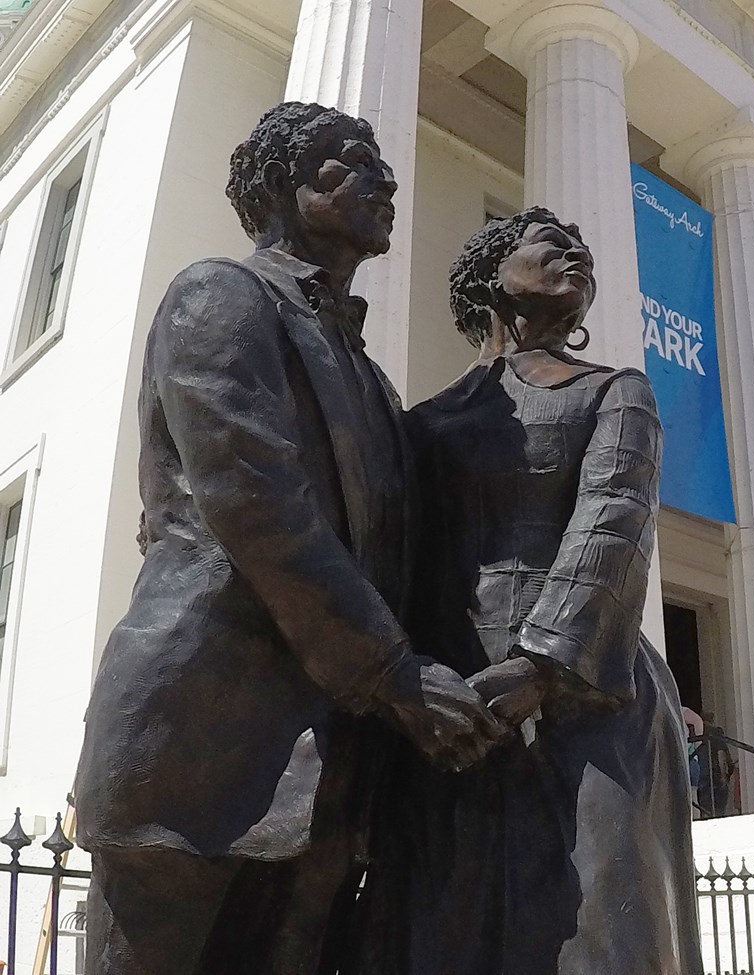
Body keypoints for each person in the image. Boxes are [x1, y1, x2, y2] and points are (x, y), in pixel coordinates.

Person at [72, 102, 505, 975]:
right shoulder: (217, 296)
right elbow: (253, 502)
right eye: (353, 162)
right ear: (281, 183)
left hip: (331, 772)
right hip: (197, 749)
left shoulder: (377, 385)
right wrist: (393, 673)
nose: (386, 180)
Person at [355, 207, 704, 975]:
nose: (576, 254)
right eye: (550, 244)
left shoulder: (617, 393)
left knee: (602, 937)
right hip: (452, 704)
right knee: (443, 931)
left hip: (591, 697)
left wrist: (539, 668)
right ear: (490, 274)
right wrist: (411, 687)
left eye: (582, 250)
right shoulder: (422, 424)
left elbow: (613, 525)